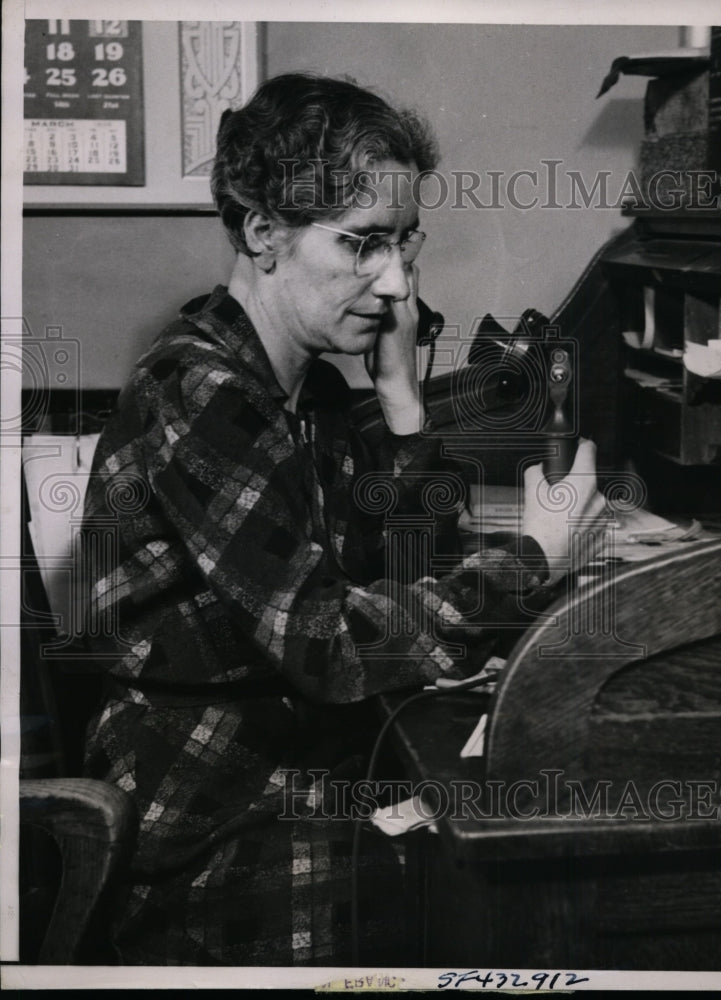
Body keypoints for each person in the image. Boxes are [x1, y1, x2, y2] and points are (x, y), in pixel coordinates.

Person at [80, 72, 607, 966]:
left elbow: (388, 585)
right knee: (511, 907)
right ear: (262, 232)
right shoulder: (200, 390)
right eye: (362, 244)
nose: (397, 281)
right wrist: (534, 558)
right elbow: (327, 646)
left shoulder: (308, 388)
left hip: (306, 779)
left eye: (404, 245)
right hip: (221, 831)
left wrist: (400, 398)